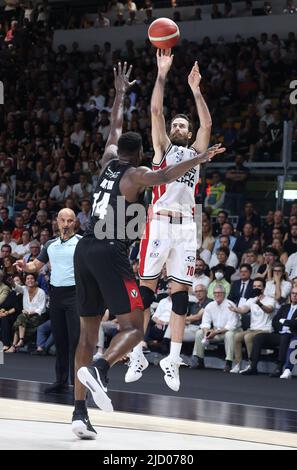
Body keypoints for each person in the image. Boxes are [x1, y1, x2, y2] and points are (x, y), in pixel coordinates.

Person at [72, 62, 224, 440]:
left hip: (87, 247)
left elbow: (115, 128)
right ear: (143, 152)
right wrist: (201, 159)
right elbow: (161, 174)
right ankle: (104, 367)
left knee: (87, 334)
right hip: (114, 246)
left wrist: (121, 94)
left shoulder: (108, 160)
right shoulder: (141, 171)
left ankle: (79, 413)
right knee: (135, 325)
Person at [126, 49, 213, 392]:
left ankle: (173, 360)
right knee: (146, 295)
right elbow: (155, 111)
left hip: (187, 227)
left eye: (183, 125)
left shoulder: (195, 154)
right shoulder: (163, 150)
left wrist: (196, 89)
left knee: (180, 298)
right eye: (175, 124)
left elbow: (207, 124)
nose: (177, 127)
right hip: (159, 223)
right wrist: (162, 74)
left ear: (189, 133)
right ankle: (137, 352)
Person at [15, 208, 81, 394]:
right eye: (63, 220)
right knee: (60, 341)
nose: (66, 224)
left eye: (70, 221)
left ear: (75, 222)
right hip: (57, 296)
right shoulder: (50, 244)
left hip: (75, 295)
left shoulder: (81, 243)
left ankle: (78, 385)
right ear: (57, 222)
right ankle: (60, 381)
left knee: (76, 342)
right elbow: (34, 265)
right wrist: (24, 266)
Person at [229, 278, 275, 373]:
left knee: (248, 337)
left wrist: (259, 303)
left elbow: (269, 310)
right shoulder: (251, 300)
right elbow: (244, 309)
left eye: (259, 286)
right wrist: (235, 309)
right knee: (237, 336)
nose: (256, 288)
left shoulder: (270, 299)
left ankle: (251, 364)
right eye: (254, 286)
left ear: (263, 288)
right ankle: (237, 364)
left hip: (265, 330)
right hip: (253, 329)